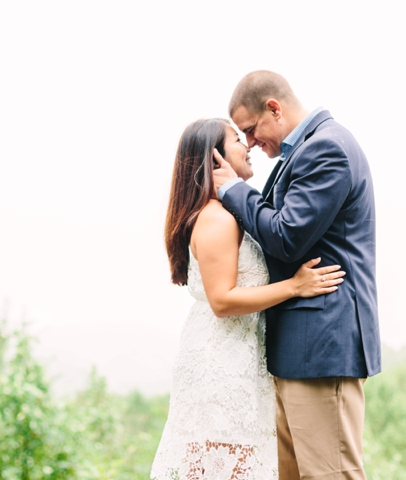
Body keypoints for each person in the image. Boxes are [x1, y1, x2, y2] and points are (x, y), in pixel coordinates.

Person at [150, 118, 345, 480]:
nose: (248, 146)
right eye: (237, 139)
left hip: (239, 354)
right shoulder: (217, 219)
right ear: (215, 159)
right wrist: (295, 286)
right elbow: (222, 301)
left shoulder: (227, 214)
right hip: (221, 362)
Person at [212, 70, 381, 480]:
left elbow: (287, 237)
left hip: (323, 346)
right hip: (297, 350)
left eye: (251, 130)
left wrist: (234, 191)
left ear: (274, 108)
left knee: (331, 474)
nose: (251, 143)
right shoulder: (305, 150)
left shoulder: (328, 149)